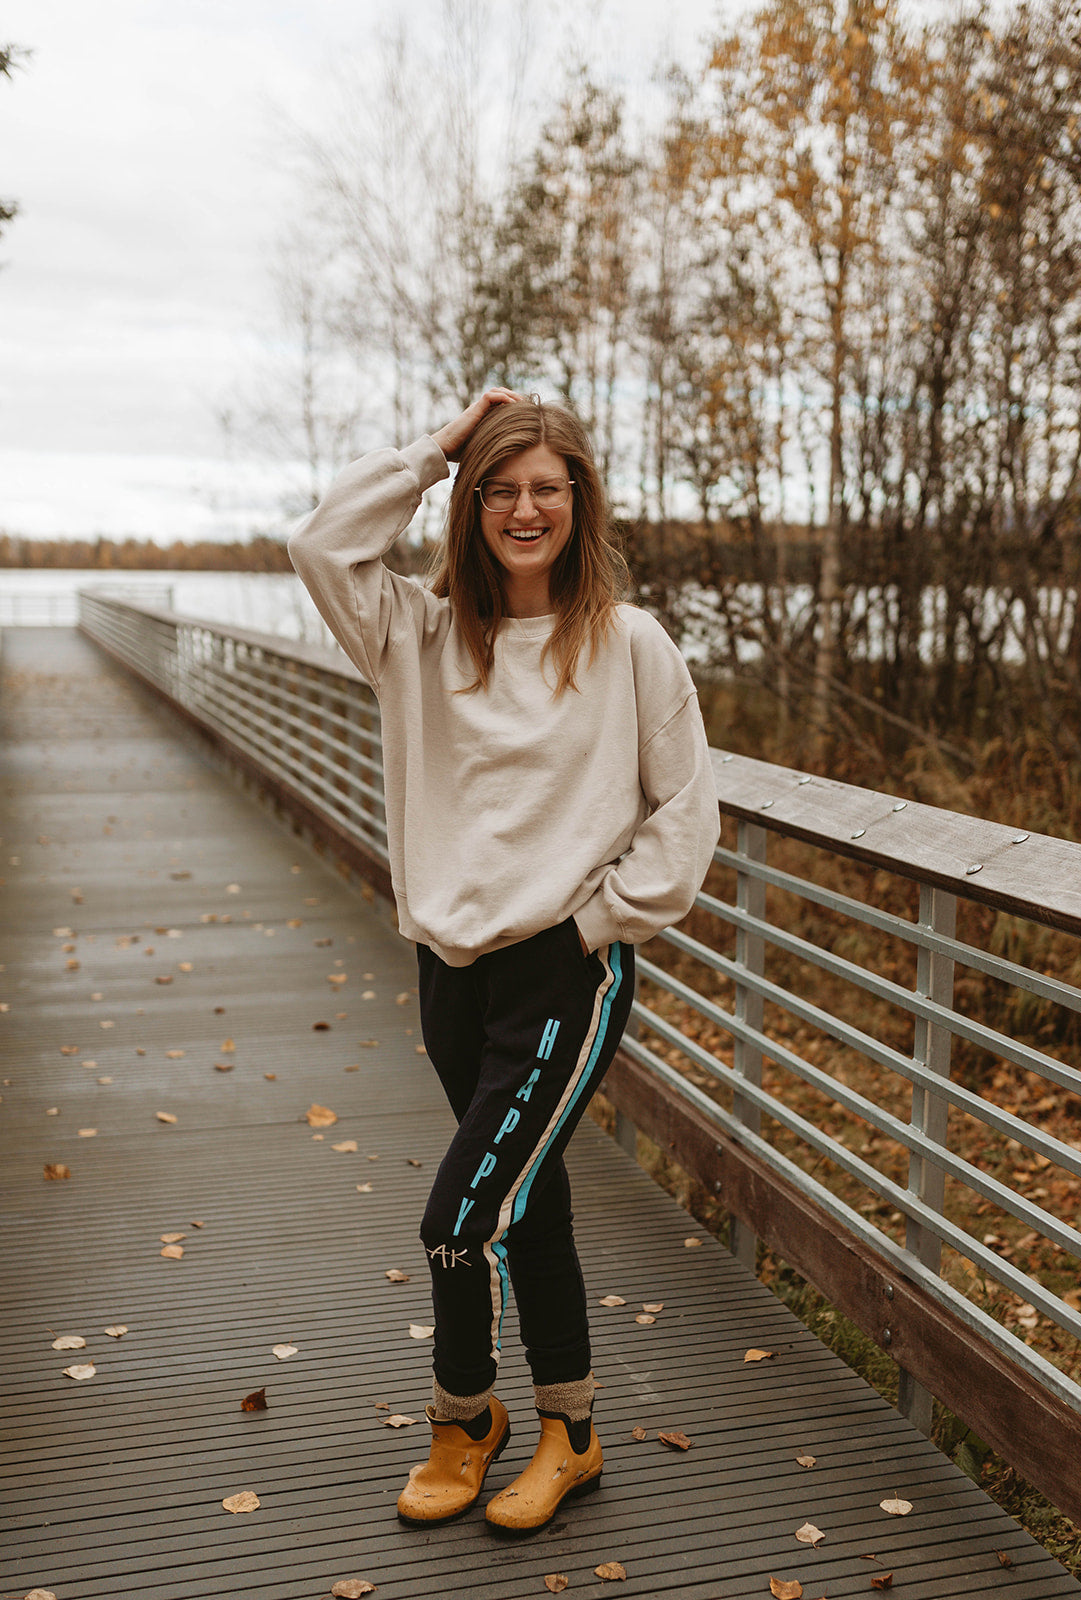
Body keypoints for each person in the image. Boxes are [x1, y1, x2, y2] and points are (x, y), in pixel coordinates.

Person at [288, 389, 720, 1534]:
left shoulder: (628, 643)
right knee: (528, 1204)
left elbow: (684, 810)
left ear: (579, 502)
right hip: (451, 972)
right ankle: (571, 1432)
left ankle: (463, 1417)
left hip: (564, 973)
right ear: (471, 503)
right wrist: (436, 445)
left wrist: (597, 925)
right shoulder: (416, 635)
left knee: (459, 1217)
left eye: (546, 488)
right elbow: (319, 542)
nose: (525, 508)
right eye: (501, 487)